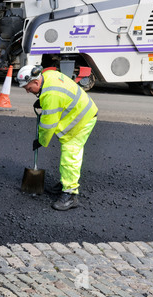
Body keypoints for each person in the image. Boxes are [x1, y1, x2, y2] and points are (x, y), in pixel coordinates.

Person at [17, 65, 98, 211]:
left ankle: (71, 194)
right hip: (81, 111)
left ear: (36, 82)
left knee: (70, 155)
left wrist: (41, 141)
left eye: (28, 88)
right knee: (68, 153)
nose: (28, 91)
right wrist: (41, 99)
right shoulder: (48, 75)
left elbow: (48, 125)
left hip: (82, 119)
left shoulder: (51, 96)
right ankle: (64, 183)